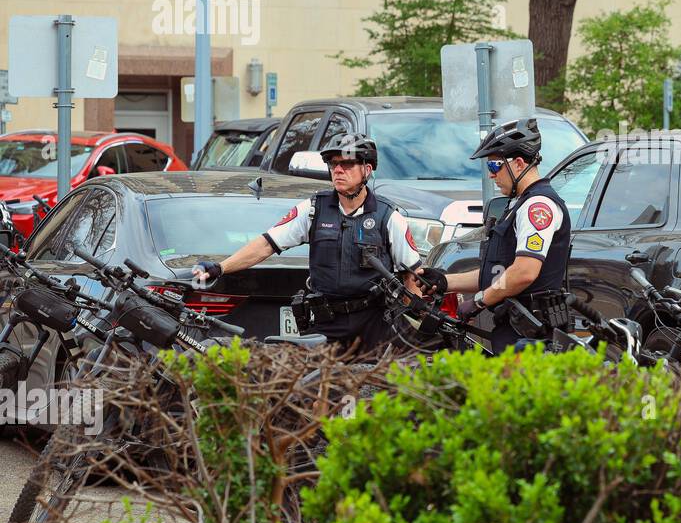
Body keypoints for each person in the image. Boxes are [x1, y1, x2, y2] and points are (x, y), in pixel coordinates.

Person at [192, 132, 426, 351]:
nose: (338, 170)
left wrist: (416, 317)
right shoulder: (313, 209)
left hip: (375, 324)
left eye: (346, 164)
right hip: (326, 325)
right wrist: (221, 267)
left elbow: (411, 274)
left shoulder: (388, 217)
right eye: (333, 164)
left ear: (367, 169)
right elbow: (266, 244)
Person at [442, 118, 572, 355]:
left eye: (494, 166)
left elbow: (523, 272)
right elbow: (498, 274)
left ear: (519, 164)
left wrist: (479, 301)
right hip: (513, 330)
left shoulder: (537, 206)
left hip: (531, 337)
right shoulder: (518, 205)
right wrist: (445, 283)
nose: (491, 175)